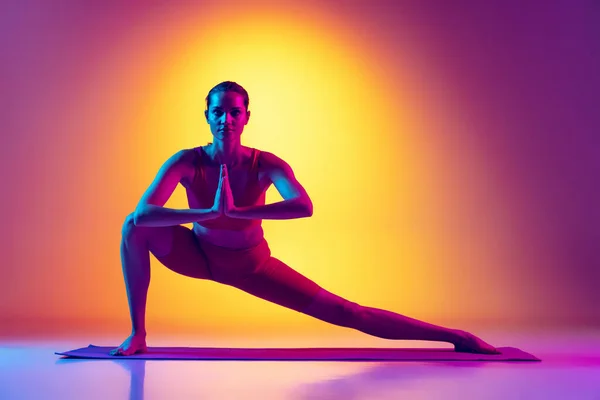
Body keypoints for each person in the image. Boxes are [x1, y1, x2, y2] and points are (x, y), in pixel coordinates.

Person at [110, 81, 499, 356]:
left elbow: (303, 205)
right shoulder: (186, 160)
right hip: (197, 256)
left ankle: (455, 336)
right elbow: (145, 213)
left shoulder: (266, 164)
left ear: (246, 117)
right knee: (133, 225)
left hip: (250, 267)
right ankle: (138, 334)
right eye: (218, 112)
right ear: (207, 117)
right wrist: (208, 213)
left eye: (234, 112)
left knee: (348, 312)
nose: (226, 119)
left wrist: (241, 212)